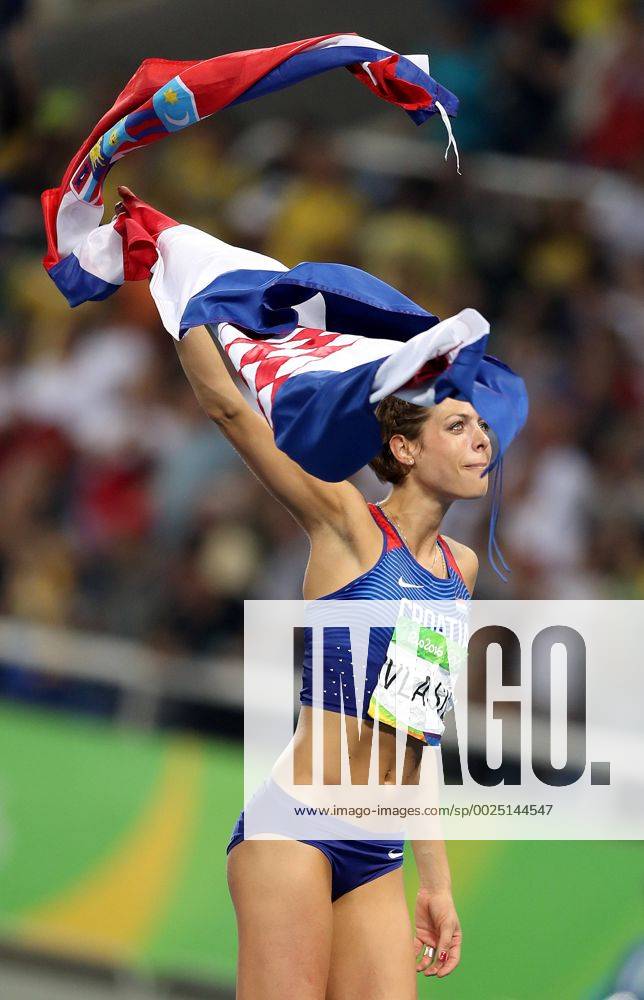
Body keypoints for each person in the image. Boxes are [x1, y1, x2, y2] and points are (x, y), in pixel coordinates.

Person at [174, 323, 490, 999]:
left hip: (377, 853)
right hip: (295, 828)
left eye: (480, 427)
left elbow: (416, 736)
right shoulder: (348, 525)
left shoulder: (458, 570)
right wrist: (184, 300)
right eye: (459, 426)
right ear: (404, 447)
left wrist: (435, 880)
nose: (482, 441)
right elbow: (232, 409)